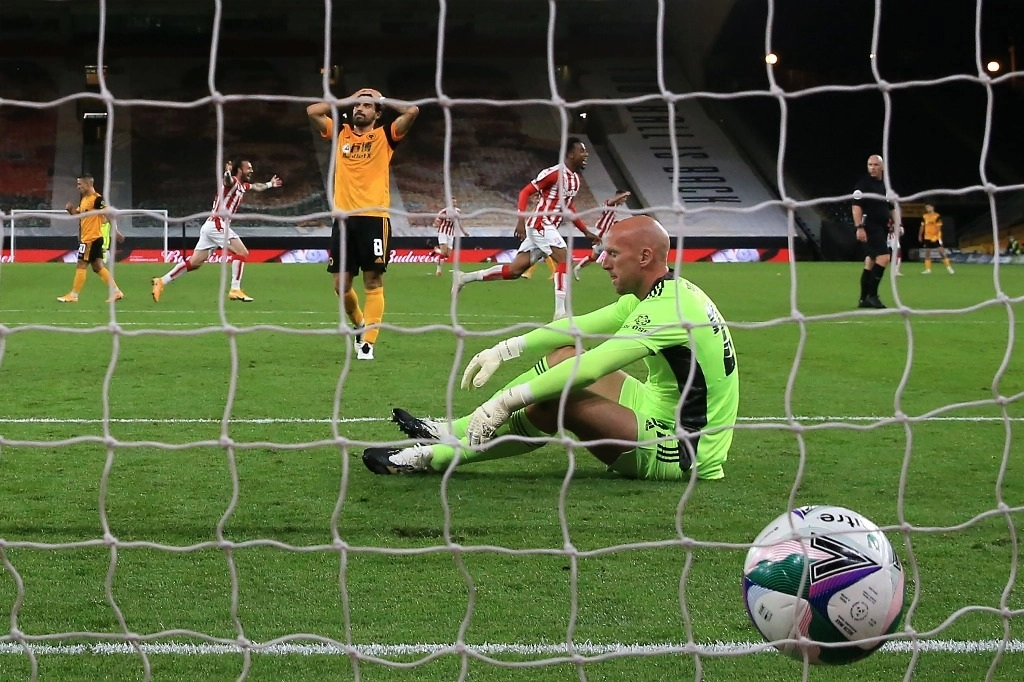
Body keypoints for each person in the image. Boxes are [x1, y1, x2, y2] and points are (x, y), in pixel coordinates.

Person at [363, 215, 740, 482]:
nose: (602, 263)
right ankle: (450, 430)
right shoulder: (663, 293)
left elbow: (591, 369)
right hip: (656, 407)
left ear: (644, 258)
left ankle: (433, 458)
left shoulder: (669, 309)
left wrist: (504, 401)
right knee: (564, 355)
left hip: (683, 447)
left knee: (560, 397)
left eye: (612, 254)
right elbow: (574, 328)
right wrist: (505, 349)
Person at [307, 88, 419, 361]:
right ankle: (359, 323)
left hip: (374, 218)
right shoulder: (341, 133)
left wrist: (381, 99)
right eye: (358, 105)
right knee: (340, 286)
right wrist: (350, 99)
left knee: (373, 280)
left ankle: (368, 342)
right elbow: (312, 111)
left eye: (368, 106)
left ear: (377, 113)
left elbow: (412, 110)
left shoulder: (385, 136)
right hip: (344, 220)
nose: (360, 108)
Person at [453, 137, 601, 320]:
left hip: (547, 228)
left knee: (514, 271)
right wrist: (520, 220)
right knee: (565, 260)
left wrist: (585, 231)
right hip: (540, 223)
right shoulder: (553, 173)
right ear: (570, 154)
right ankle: (560, 313)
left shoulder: (575, 180)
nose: (586, 154)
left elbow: (568, 207)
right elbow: (525, 192)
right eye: (582, 151)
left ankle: (464, 278)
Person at [151, 160, 281, 303]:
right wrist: (227, 172)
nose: (251, 171)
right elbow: (227, 180)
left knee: (195, 263)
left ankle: (161, 281)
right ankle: (235, 289)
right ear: (239, 170)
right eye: (248, 168)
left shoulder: (242, 186)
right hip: (217, 225)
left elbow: (257, 186)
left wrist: (270, 184)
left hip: (210, 226)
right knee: (242, 252)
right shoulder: (232, 182)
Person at [57, 174, 125, 303]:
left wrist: (115, 230)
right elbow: (78, 214)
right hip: (90, 238)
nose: (78, 187)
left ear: (88, 184)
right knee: (98, 267)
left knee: (81, 264)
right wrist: (70, 210)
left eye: (80, 184)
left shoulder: (97, 199)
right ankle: (117, 292)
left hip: (91, 238)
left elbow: (109, 214)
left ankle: (73, 295)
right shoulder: (84, 200)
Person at [851, 154, 899, 309]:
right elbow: (856, 207)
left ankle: (863, 299)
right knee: (884, 258)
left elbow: (891, 206)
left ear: (882, 167)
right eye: (870, 165)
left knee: (870, 261)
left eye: (875, 165)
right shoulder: (863, 185)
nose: (872, 168)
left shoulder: (885, 185)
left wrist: (898, 224)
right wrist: (859, 227)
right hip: (870, 227)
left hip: (881, 227)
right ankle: (872, 295)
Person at [573, 189, 631, 280]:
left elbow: (608, 220)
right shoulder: (609, 203)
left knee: (594, 257)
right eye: (624, 198)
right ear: (618, 196)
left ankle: (578, 268)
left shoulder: (614, 208)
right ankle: (620, 272)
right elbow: (612, 201)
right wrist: (624, 194)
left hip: (605, 234)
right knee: (617, 250)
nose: (624, 200)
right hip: (601, 234)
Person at [432, 198, 470, 276]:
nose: (454, 203)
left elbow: (458, 223)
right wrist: (435, 224)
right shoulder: (444, 212)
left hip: (450, 234)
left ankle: (436, 250)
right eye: (453, 202)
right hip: (443, 233)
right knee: (443, 253)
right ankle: (438, 270)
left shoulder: (458, 211)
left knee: (447, 255)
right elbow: (437, 221)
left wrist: (464, 232)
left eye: (455, 202)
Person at [918, 204, 954, 274]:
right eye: (926, 207)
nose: (927, 208)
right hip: (927, 237)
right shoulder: (924, 216)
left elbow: (939, 227)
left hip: (936, 237)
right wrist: (920, 235)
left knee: (941, 252)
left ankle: (949, 268)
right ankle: (928, 269)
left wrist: (936, 236)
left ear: (933, 207)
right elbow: (922, 226)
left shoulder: (937, 216)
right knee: (927, 253)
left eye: (929, 207)